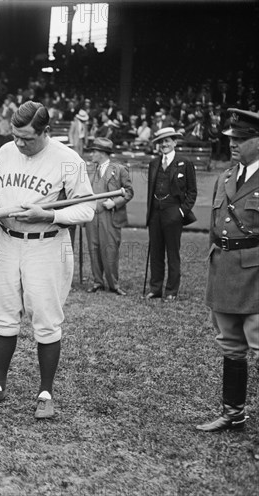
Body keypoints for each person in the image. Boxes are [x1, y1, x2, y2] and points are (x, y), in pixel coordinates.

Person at [0, 101, 95, 419]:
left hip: (47, 244)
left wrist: (50, 213)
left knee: (45, 318)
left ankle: (45, 393)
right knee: (4, 314)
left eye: (27, 138)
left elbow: (87, 209)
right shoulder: (5, 152)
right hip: (8, 242)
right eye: (16, 136)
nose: (20, 143)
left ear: (45, 131)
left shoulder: (68, 160)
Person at [197, 108, 259, 432]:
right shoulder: (226, 176)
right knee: (232, 346)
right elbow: (214, 225)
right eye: (232, 139)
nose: (234, 144)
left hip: (255, 276)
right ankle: (234, 413)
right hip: (224, 270)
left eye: (242, 139)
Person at [145, 127, 197, 301]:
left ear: (175, 142)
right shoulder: (154, 163)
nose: (164, 144)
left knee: (172, 253)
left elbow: (192, 192)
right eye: (161, 141)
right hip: (155, 214)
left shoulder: (185, 163)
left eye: (168, 140)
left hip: (174, 212)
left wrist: (181, 211)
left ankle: (171, 291)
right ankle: (155, 288)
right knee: (156, 252)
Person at [85, 138, 134, 295]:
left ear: (102, 153)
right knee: (94, 249)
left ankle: (114, 284)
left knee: (110, 250)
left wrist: (114, 203)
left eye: (94, 151)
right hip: (92, 216)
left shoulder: (119, 169)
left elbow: (129, 192)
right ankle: (97, 281)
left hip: (110, 216)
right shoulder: (89, 170)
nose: (92, 154)